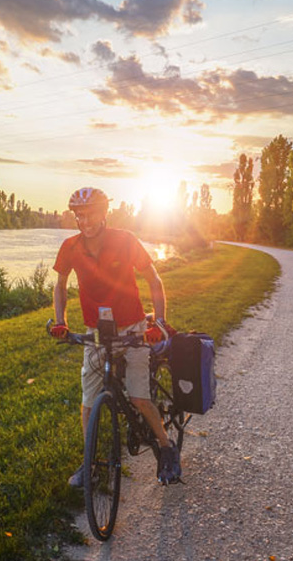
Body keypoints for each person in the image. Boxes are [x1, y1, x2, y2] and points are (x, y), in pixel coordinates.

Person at [50, 186, 181, 486]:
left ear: (103, 213)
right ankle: (90, 463)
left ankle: (165, 446)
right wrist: (61, 321)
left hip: (133, 329)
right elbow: (60, 285)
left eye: (91, 213)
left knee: (138, 397)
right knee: (87, 402)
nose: (85, 220)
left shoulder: (125, 240)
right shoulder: (70, 247)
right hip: (96, 333)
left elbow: (154, 279)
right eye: (79, 215)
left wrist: (158, 323)